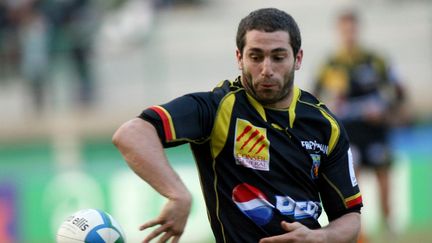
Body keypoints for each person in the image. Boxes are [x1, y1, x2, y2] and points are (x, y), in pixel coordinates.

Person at [113, 8, 363, 243]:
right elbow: (132, 133)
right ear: (239, 58)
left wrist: (318, 237)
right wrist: (177, 194)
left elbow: (350, 216)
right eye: (256, 56)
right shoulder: (216, 108)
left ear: (297, 58)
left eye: (278, 57)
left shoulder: (324, 125)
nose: (267, 69)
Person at [313, 9, 405, 240]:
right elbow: (314, 99)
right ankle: (359, 233)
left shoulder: (376, 60)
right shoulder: (330, 65)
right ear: (338, 32)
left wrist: (383, 108)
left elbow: (399, 92)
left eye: (352, 29)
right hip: (348, 133)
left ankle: (389, 227)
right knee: (354, 182)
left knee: (384, 181)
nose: (349, 34)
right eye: (344, 30)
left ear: (358, 30)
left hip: (375, 132)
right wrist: (331, 106)